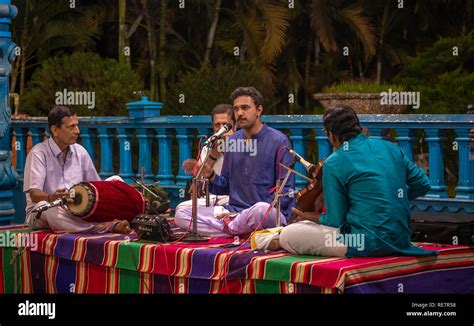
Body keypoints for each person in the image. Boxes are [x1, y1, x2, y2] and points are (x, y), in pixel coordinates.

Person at [252, 104, 437, 257]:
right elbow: (423, 184)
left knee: (291, 233)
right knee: (306, 227)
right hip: (401, 238)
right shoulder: (390, 147)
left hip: (365, 243)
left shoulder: (335, 162)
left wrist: (309, 216)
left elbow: (335, 221)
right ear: (358, 126)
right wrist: (396, 197)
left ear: (331, 135)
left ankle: (273, 240)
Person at [174, 87, 295, 237]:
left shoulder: (279, 141)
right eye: (236, 109)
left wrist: (254, 212)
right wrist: (210, 174)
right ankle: (237, 230)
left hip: (265, 214)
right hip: (233, 212)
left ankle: (229, 229)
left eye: (245, 108)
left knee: (260, 210)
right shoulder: (231, 142)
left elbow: (286, 192)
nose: (239, 113)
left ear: (259, 110)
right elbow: (225, 187)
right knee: (181, 212)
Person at [23, 106, 131, 234]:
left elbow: (96, 186)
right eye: (71, 127)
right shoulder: (38, 153)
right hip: (44, 211)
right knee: (52, 209)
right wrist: (51, 197)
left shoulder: (80, 151)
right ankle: (105, 227)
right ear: (55, 130)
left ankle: (127, 217)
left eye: (77, 126)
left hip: (77, 210)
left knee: (116, 181)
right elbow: (34, 194)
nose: (77, 131)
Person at [178, 104, 236, 207]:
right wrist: (213, 155)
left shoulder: (243, 144)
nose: (221, 129)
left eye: (225, 125)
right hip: (211, 197)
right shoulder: (209, 143)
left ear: (234, 125)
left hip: (234, 197)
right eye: (217, 125)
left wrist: (228, 147)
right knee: (182, 208)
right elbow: (196, 185)